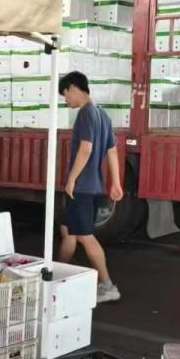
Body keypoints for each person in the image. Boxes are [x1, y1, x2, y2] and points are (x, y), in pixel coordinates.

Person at [57, 71, 124, 304]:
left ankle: (107, 285)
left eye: (65, 94)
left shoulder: (85, 113)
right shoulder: (102, 114)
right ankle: (57, 274)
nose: (66, 100)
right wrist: (115, 182)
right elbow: (112, 151)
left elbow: (86, 148)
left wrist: (71, 179)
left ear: (74, 88)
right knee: (68, 230)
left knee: (85, 236)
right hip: (94, 185)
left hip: (82, 187)